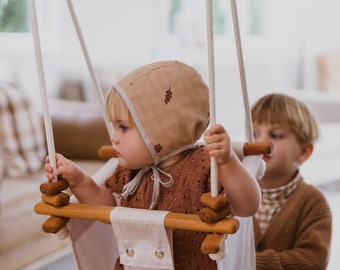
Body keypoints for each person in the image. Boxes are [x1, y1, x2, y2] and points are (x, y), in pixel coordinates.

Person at [45, 60, 261, 269]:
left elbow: (247, 206)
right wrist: (80, 181)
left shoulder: (205, 164)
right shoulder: (128, 169)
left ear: (162, 130)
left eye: (123, 128)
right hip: (134, 264)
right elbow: (107, 208)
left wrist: (228, 161)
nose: (114, 138)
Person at [251, 93, 332, 270]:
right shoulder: (232, 194)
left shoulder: (314, 203)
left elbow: (314, 259)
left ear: (304, 151)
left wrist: (250, 263)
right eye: (254, 134)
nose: (260, 142)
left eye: (276, 135)